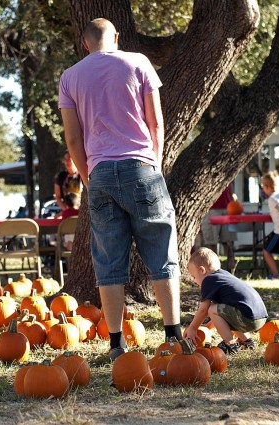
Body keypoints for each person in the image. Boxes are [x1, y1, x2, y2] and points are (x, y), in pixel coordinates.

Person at [59, 18, 180, 361]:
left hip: (99, 174)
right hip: (141, 167)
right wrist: (153, 164)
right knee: (161, 253)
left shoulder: (70, 77)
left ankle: (116, 345)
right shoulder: (139, 62)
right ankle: (172, 336)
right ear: (116, 37)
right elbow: (156, 121)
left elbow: (72, 139)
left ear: (85, 44)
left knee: (108, 263)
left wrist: (87, 177)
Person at [185, 248, 268, 354]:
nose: (194, 280)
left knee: (211, 309)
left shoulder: (208, 280)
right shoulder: (223, 276)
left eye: (194, 277)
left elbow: (204, 310)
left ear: (202, 270)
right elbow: (224, 313)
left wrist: (192, 328)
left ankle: (230, 344)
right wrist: (209, 326)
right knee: (225, 310)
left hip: (247, 317)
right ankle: (247, 341)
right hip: (259, 317)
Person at [198, 185, 237, 271]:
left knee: (228, 240)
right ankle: (214, 268)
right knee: (212, 241)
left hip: (227, 206)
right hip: (210, 207)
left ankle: (230, 266)